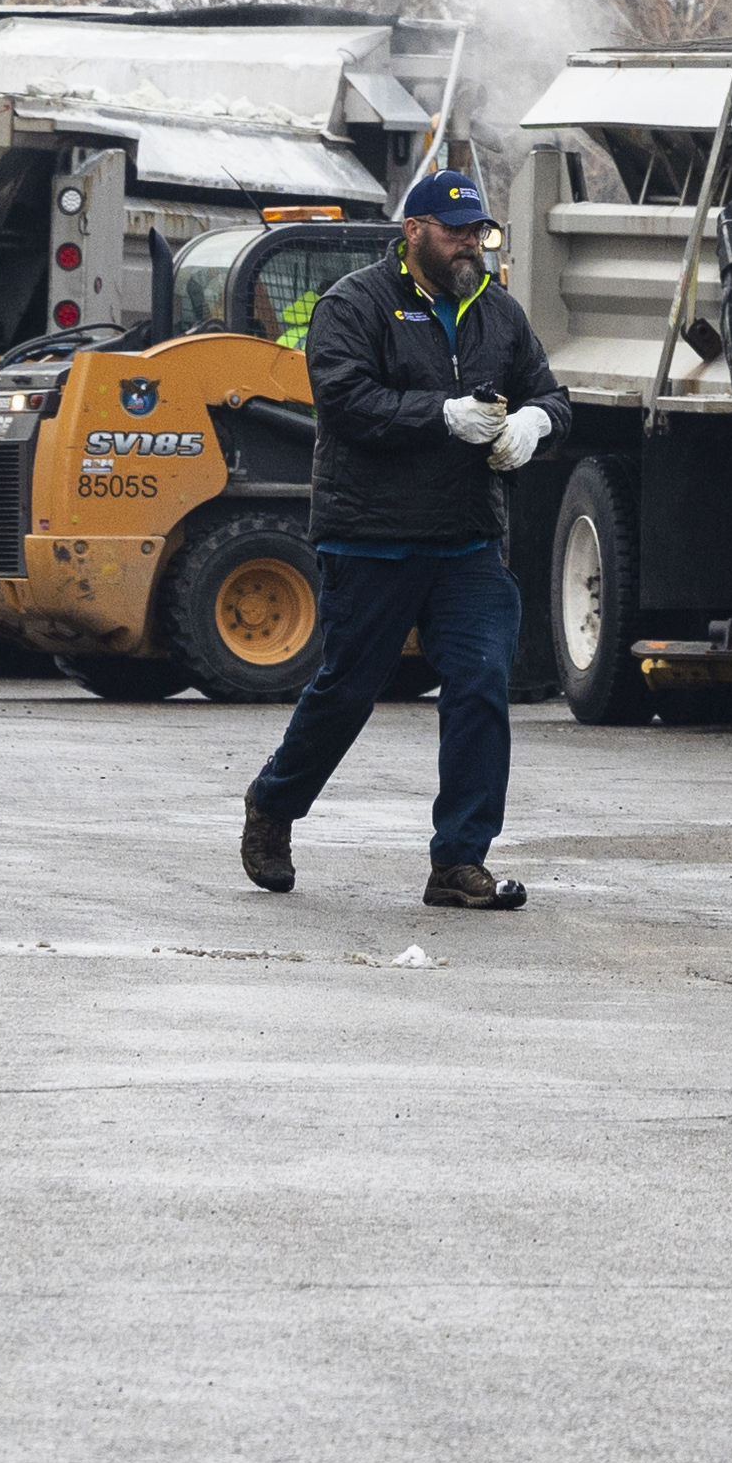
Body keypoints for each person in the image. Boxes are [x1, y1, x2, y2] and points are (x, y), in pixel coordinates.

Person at [240, 168, 564, 911]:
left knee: (481, 683)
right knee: (348, 693)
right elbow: (347, 401)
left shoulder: (497, 313)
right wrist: (442, 415)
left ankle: (458, 861)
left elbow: (549, 391)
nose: (468, 247)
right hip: (372, 539)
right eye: (454, 233)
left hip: (467, 542)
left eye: (477, 233)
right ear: (413, 231)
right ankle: (273, 806)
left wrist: (535, 423)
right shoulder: (353, 305)